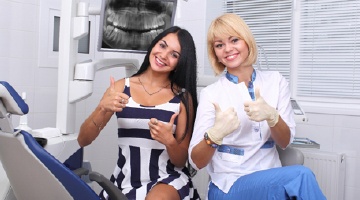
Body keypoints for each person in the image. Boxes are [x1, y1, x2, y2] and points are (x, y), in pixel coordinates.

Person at [188, 13, 326, 200]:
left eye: (234, 40)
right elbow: (196, 162)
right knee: (301, 176)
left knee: (297, 180)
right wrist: (214, 136)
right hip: (229, 185)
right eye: (219, 45)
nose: (228, 49)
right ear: (216, 54)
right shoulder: (211, 94)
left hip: (270, 180)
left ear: (247, 41)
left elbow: (284, 142)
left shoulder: (275, 82)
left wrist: (273, 118)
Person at [78, 26, 200, 200]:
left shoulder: (182, 97)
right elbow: (83, 140)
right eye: (162, 45)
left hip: (167, 179)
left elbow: (180, 161)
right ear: (153, 45)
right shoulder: (121, 87)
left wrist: (169, 141)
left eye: (174, 55)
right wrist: (102, 108)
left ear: (181, 63)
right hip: (124, 180)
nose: (164, 55)